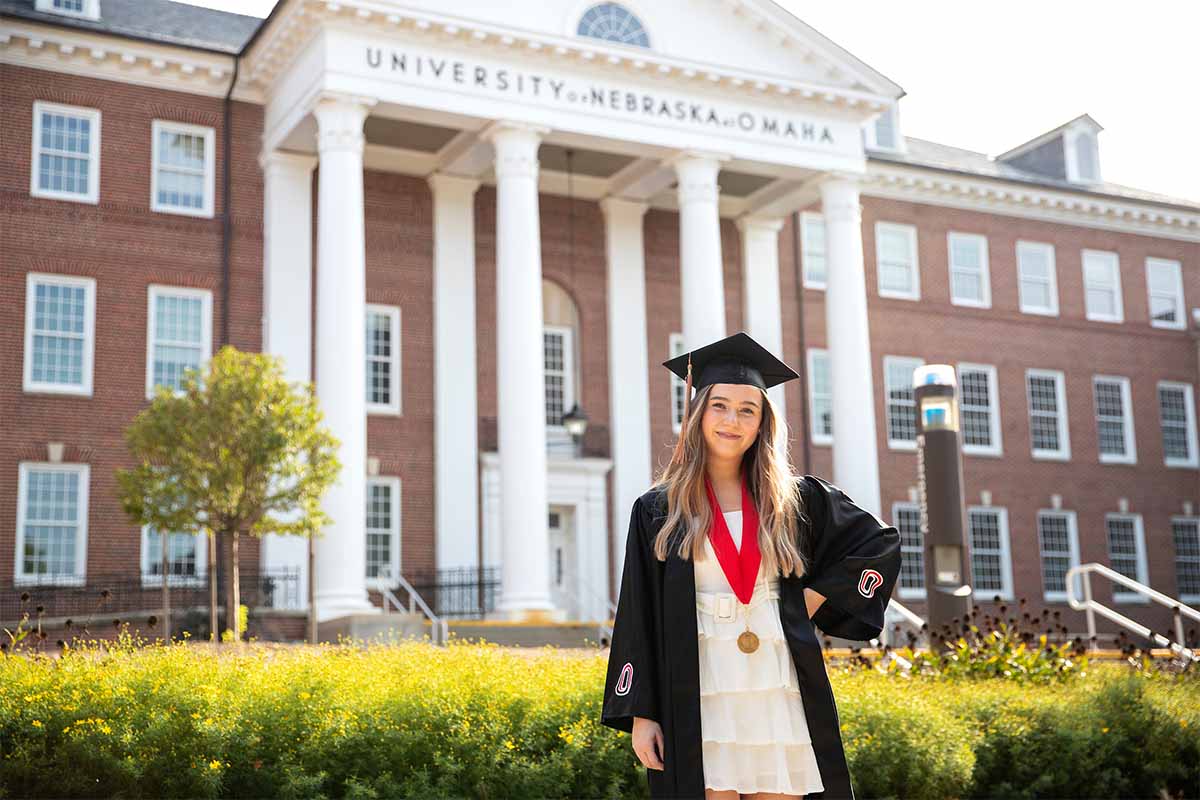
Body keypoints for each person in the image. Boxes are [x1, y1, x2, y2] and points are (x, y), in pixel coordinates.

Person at [600, 331, 901, 800]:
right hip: (698, 683)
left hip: (775, 679)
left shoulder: (797, 500)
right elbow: (639, 615)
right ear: (698, 415)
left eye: (747, 409)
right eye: (719, 405)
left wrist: (813, 598)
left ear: (763, 422)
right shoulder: (659, 509)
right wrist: (643, 715)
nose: (732, 421)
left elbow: (880, 544)